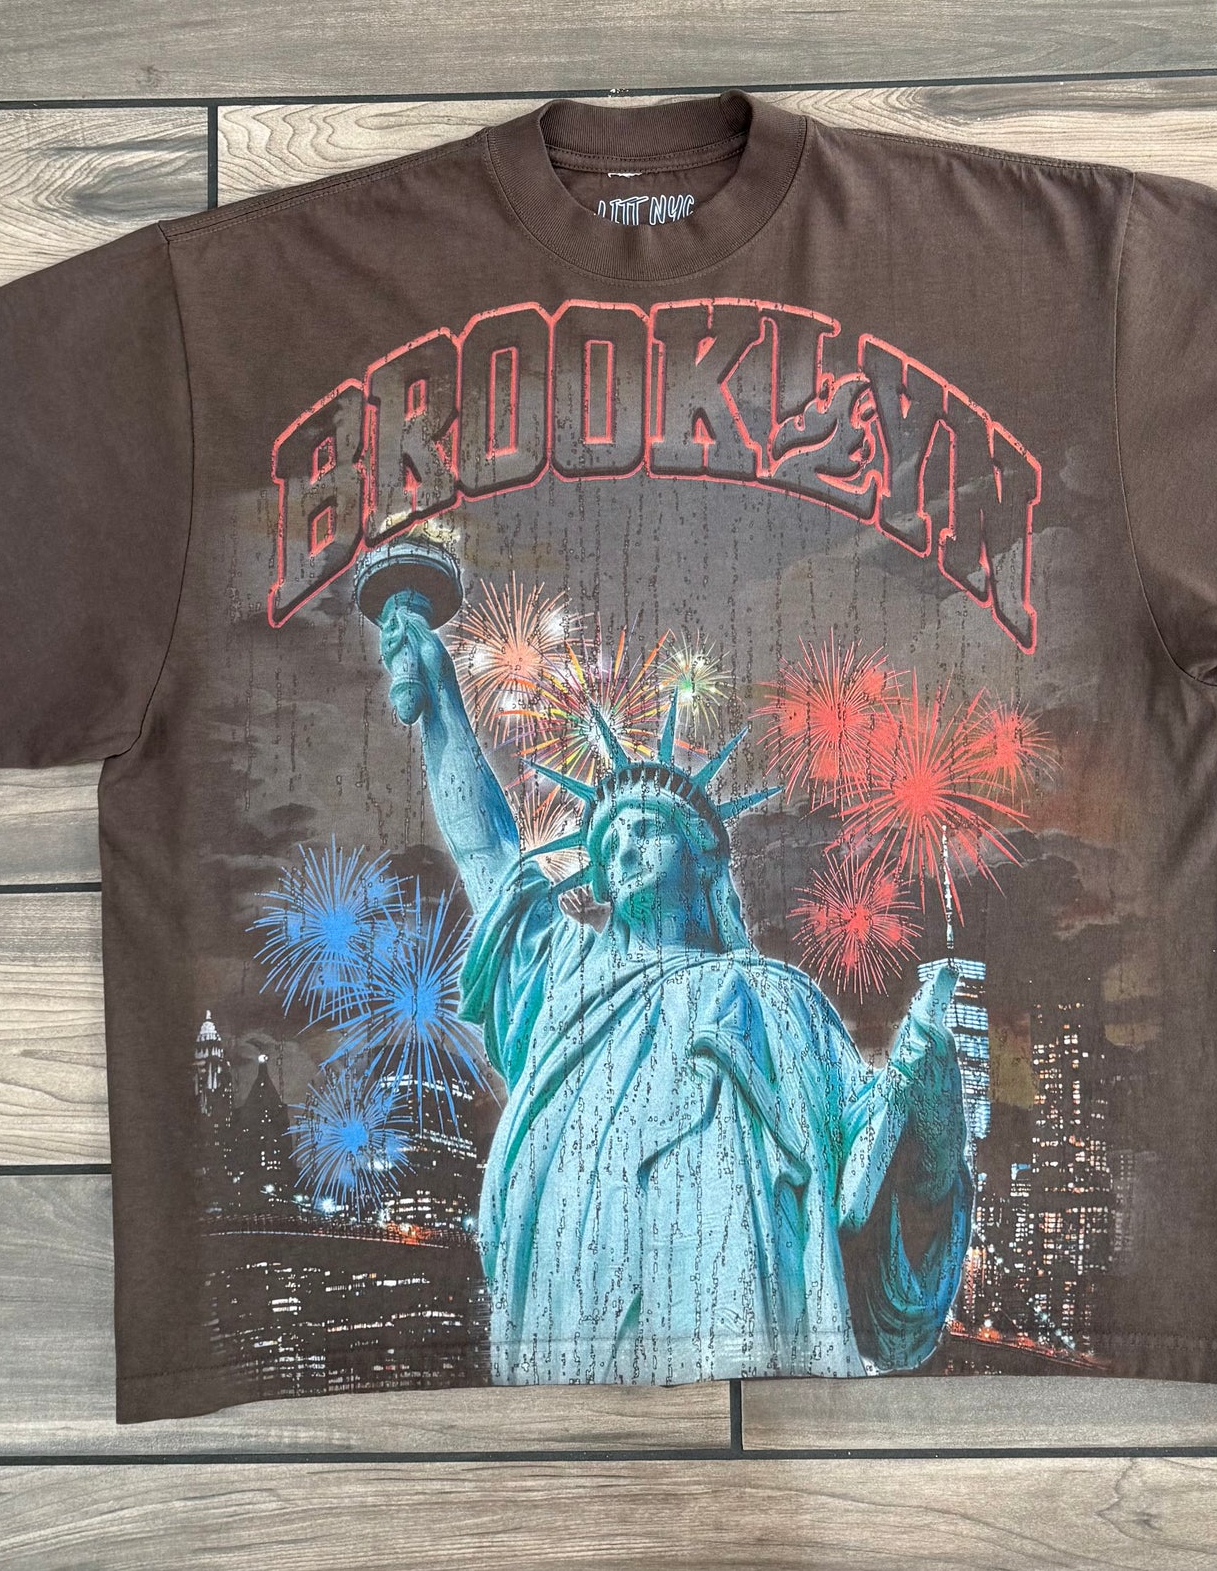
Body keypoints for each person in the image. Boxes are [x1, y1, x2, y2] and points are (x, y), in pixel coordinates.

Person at [377, 587, 972, 1385]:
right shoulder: (567, 973)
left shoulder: (779, 1001)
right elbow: (487, 851)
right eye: (608, 841)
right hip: (575, 1303)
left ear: (703, 859)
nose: (623, 850)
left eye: (647, 829)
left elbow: (874, 1186)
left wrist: (933, 1116)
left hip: (746, 1333)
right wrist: (442, 703)